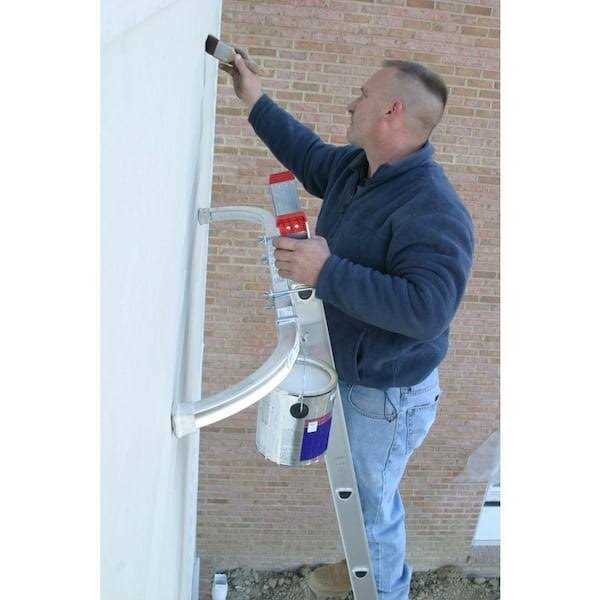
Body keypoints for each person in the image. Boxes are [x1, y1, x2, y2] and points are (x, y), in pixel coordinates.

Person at [220, 49, 474, 600]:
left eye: (363, 95)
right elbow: (308, 154)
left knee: (371, 506)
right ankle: (367, 564)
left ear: (392, 111)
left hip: (385, 394)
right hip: (355, 374)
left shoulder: (432, 207)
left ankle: (383, 589)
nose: (351, 103)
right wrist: (254, 97)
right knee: (361, 498)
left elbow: (427, 311)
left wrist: (326, 271)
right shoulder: (358, 169)